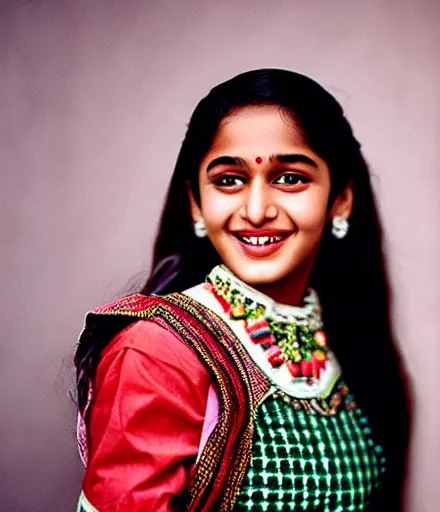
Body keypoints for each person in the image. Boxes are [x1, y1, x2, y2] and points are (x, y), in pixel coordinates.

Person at [74, 68, 411, 511]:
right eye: (228, 179)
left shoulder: (346, 345)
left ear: (340, 200)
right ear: (196, 202)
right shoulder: (157, 350)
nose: (256, 211)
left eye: (290, 178)